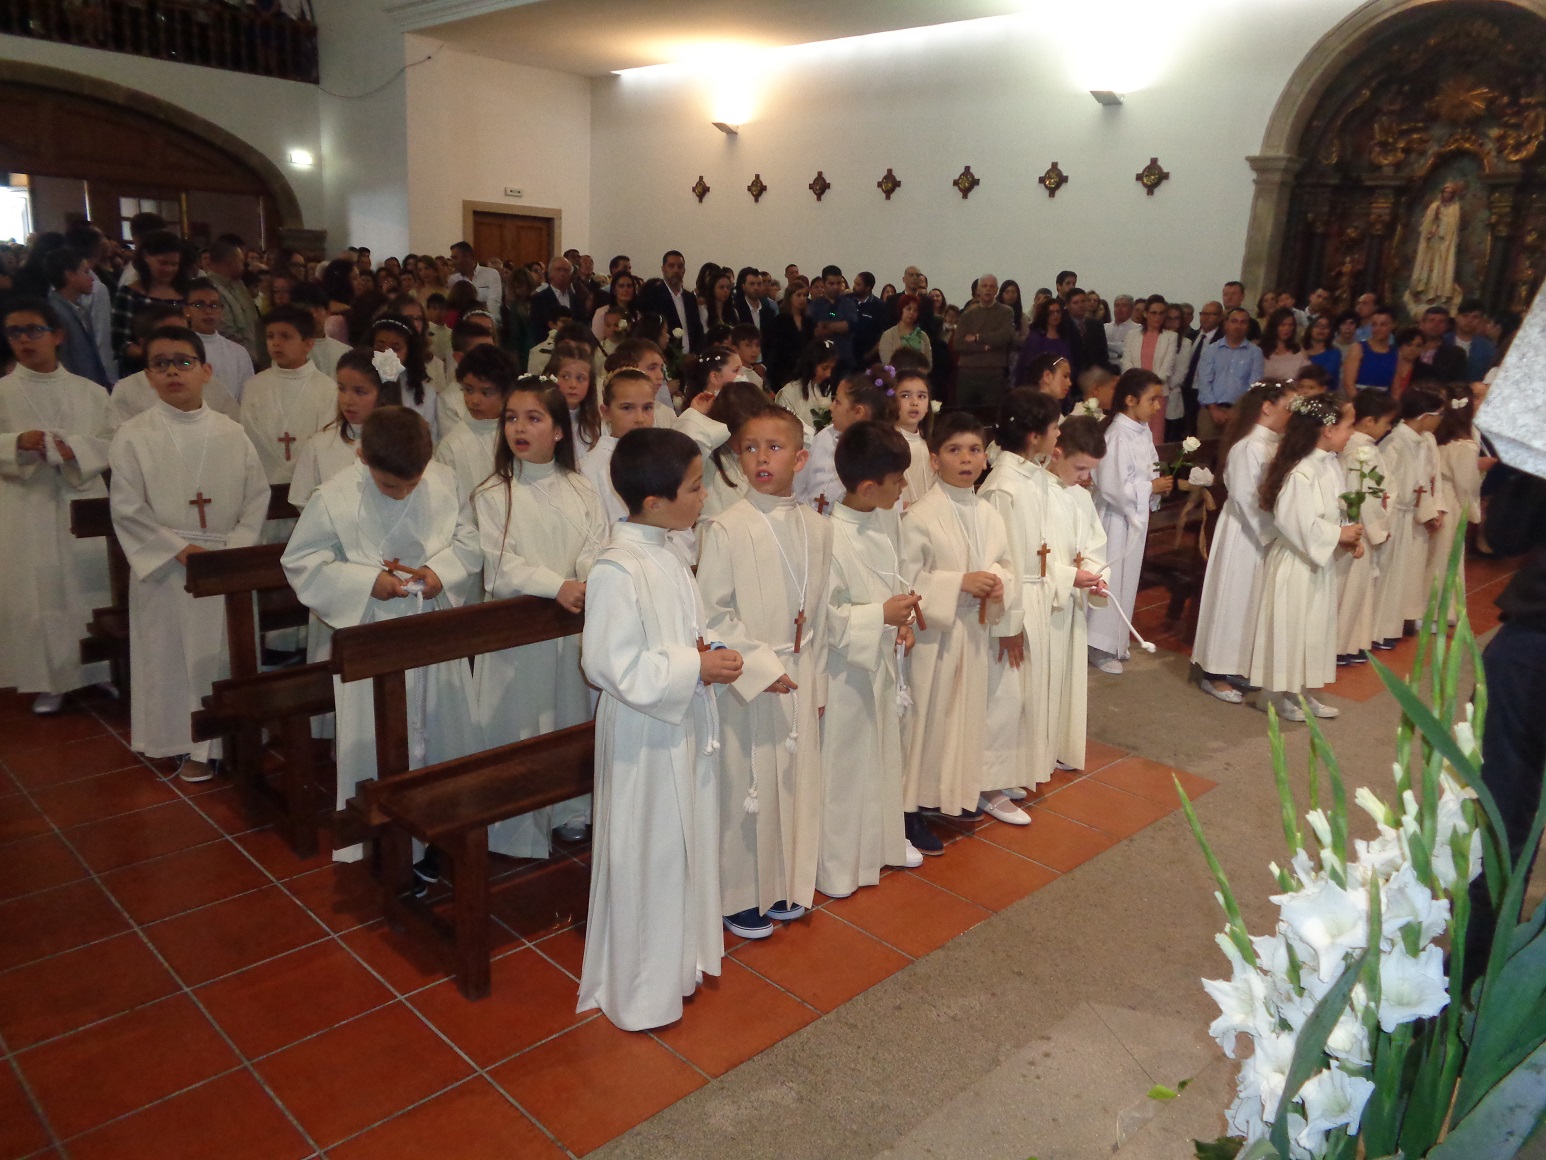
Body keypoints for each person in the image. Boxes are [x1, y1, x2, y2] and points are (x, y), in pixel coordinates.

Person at [577, 426, 738, 1031]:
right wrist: (695, 667)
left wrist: (710, 650)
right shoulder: (617, 569)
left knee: (678, 847)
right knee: (647, 852)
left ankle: (675, 969)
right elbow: (608, 665)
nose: (704, 496)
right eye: (694, 487)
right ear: (653, 501)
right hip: (642, 734)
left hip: (678, 720)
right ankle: (641, 991)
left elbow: (683, 630)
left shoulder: (668, 551)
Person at [283, 407, 483, 863]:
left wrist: (440, 570)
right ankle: (381, 842)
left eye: (413, 483)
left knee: (440, 724)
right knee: (377, 734)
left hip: (431, 630)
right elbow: (302, 561)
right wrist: (366, 582)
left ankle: (442, 829)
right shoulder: (334, 497)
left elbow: (469, 539)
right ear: (362, 457)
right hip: (371, 633)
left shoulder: (444, 481)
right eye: (391, 486)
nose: (404, 493)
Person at [109, 326, 269, 779]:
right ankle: (180, 741)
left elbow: (256, 497)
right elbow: (126, 508)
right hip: (167, 567)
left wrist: (232, 553)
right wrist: (180, 550)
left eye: (183, 362)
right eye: (160, 364)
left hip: (224, 563)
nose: (173, 372)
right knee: (169, 655)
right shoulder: (133, 436)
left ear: (206, 371)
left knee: (222, 654)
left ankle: (226, 740)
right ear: (148, 376)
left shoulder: (231, 432)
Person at [697, 405, 833, 939]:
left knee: (792, 785)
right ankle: (738, 895)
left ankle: (783, 883)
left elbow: (818, 616)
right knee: (746, 785)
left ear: (799, 458)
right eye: (750, 447)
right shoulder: (726, 528)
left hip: (800, 669)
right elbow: (712, 613)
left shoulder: (817, 527)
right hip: (747, 678)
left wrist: (816, 681)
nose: (761, 458)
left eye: (774, 447)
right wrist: (760, 667)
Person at [470, 378, 607, 860]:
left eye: (533, 418)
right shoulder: (494, 493)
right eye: (511, 418)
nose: (519, 428)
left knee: (568, 713)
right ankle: (513, 821)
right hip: (519, 635)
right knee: (521, 721)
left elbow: (596, 543)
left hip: (569, 627)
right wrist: (557, 585)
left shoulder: (580, 487)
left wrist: (585, 579)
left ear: (559, 430)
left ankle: (571, 808)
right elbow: (498, 565)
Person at [814, 418, 929, 899]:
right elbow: (827, 617)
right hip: (846, 673)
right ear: (867, 487)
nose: (904, 488)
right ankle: (838, 865)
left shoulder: (882, 523)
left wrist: (900, 620)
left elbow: (892, 580)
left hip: (880, 662)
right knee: (845, 766)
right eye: (898, 480)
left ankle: (879, 843)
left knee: (883, 754)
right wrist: (880, 615)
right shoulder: (828, 537)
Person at [900, 410, 1014, 848]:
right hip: (934, 639)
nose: (966, 459)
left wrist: (998, 581)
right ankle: (908, 809)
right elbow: (908, 582)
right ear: (934, 460)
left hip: (973, 632)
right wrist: (959, 583)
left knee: (962, 720)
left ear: (986, 458)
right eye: (954, 450)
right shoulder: (920, 516)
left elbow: (1004, 563)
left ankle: (948, 795)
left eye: (974, 449)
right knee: (928, 721)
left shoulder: (988, 512)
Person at [0, 297, 116, 714]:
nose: (24, 340)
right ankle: (50, 680)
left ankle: (101, 667)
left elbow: (113, 440)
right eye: (15, 332)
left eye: (34, 330)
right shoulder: (3, 392)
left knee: (89, 585)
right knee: (40, 593)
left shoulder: (90, 392)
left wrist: (76, 450)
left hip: (81, 499)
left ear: (58, 335)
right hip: (25, 504)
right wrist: (15, 443)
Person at [1249, 393, 1362, 720]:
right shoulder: (1302, 472)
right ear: (1327, 429)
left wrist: (1347, 535)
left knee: (1311, 629)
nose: (1352, 433)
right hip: (1296, 561)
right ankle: (1273, 695)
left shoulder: (1329, 465)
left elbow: (1333, 511)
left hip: (1315, 561)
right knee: (1291, 627)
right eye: (1348, 426)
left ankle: (1299, 690)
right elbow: (1295, 522)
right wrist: (1338, 535)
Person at [980, 389, 1065, 809]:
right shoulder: (1003, 487)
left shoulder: (1031, 477)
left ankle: (1009, 771)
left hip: (1034, 594)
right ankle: (986, 786)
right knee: (1002, 696)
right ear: (1034, 436)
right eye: (1054, 428)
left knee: (1023, 694)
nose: (1059, 434)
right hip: (1011, 602)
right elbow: (1000, 561)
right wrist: (1007, 624)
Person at [1191, 381, 1296, 702]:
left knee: (1252, 600)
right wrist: (1275, 532)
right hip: (1243, 533)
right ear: (1267, 407)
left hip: (1262, 532)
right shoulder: (1248, 447)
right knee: (1233, 598)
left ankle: (1237, 665)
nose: (1292, 414)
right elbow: (1246, 497)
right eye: (1289, 407)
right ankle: (1214, 672)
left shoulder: (1273, 444)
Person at [1088, 370, 1173, 674]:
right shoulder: (1117, 435)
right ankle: (1097, 644)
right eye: (1153, 399)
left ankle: (1116, 640)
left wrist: (1156, 485)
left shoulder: (1141, 431)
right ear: (1130, 400)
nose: (1158, 407)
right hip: (1113, 519)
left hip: (1132, 518)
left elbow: (1147, 469)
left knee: (1127, 578)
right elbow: (1112, 486)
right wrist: (1150, 488)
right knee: (1110, 577)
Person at [1043, 416, 1109, 771]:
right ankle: (1036, 753)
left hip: (1073, 603)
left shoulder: (1081, 497)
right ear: (1056, 453)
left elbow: (1095, 546)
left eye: (1090, 471)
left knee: (1066, 676)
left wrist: (1098, 576)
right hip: (1047, 602)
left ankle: (1058, 745)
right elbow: (1028, 558)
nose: (1085, 478)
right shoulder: (1036, 492)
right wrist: (1068, 576)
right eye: (1080, 468)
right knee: (1044, 678)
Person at [1370, 384, 1444, 649]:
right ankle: (1376, 630)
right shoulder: (1395, 442)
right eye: (1438, 415)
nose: (1440, 420)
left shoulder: (1420, 442)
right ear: (1425, 416)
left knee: (1401, 575)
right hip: (1395, 517)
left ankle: (1392, 625)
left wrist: (1429, 511)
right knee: (1387, 575)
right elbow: (1384, 485)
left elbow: (1423, 481)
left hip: (1409, 516)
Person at [1335, 389, 1399, 665]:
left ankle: (1351, 643)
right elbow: (1368, 497)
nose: (1389, 428)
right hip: (1359, 526)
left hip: (1355, 523)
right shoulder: (1363, 452)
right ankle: (1340, 646)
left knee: (1357, 588)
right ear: (1369, 421)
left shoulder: (1358, 447)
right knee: (1351, 588)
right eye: (1387, 422)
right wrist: (1379, 528)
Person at [241, 305, 337, 487]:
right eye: (270, 336)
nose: (276, 343)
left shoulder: (327, 389)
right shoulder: (254, 386)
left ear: (308, 344)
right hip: (264, 484)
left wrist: (296, 474)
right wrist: (278, 475)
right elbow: (250, 436)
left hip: (310, 483)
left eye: (285, 336)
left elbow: (326, 441)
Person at [1429, 382, 1486, 620]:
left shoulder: (1436, 438)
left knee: (1433, 557)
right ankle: (1441, 611)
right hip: (1452, 502)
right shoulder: (1465, 446)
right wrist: (1473, 511)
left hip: (1434, 496)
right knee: (1446, 556)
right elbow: (1466, 484)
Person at [797, 372, 890, 515]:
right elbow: (800, 484)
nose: (831, 407)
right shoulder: (825, 435)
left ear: (858, 412)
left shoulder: (881, 456)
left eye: (838, 402)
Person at [432, 343, 513, 506]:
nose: (474, 400)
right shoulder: (451, 446)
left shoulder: (516, 434)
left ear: (505, 393)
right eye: (468, 390)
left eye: (486, 392)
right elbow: (446, 503)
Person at [111, 229, 190, 376]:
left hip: (181, 369)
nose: (169, 269)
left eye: (174, 264)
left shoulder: (185, 294)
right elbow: (120, 344)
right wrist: (159, 354)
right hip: (140, 372)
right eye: (163, 263)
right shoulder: (129, 294)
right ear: (146, 257)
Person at [44, 249, 112, 388]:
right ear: (70, 275)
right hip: (74, 389)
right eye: (86, 272)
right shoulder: (56, 314)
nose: (92, 278)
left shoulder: (79, 308)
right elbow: (63, 361)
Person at [1196, 307, 1266, 439]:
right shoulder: (1211, 350)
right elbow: (1204, 381)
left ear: (1248, 326)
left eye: (1243, 322)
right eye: (1234, 321)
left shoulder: (1255, 353)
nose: (1238, 326)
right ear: (1226, 324)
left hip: (1241, 413)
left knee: (1235, 449)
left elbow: (1254, 386)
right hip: (1210, 412)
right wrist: (1214, 409)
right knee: (1205, 450)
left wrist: (1237, 411)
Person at [182, 278, 255, 401]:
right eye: (199, 305)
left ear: (221, 310)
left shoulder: (238, 353)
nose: (208, 311)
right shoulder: (178, 349)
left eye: (214, 305)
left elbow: (247, 398)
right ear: (186, 310)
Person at [371, 315, 438, 444]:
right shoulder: (359, 384)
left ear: (409, 351)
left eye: (396, 348)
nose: (387, 354)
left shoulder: (426, 393)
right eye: (380, 347)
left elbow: (430, 440)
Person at [1121, 296, 1179, 441]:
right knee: (1132, 434)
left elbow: (1167, 368)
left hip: (1157, 395)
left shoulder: (1171, 337)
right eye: (1154, 313)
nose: (1157, 317)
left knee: (1155, 436)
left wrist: (1150, 389)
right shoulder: (1132, 335)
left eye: (1161, 313)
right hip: (1135, 393)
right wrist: (1138, 387)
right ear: (1146, 313)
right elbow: (1126, 363)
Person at [954, 273, 1016, 408]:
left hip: (993, 372)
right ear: (978, 290)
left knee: (990, 413)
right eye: (984, 286)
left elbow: (1005, 336)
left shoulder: (1006, 312)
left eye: (992, 287)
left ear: (996, 290)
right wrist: (983, 347)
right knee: (964, 413)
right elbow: (958, 343)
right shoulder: (967, 314)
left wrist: (978, 337)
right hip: (967, 372)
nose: (988, 289)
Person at [204, 235, 263, 365]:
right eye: (240, 262)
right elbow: (225, 331)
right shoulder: (209, 289)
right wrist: (249, 357)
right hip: (233, 360)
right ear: (229, 262)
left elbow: (252, 320)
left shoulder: (238, 284)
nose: (243, 267)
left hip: (253, 357)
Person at [639, 250, 702, 353]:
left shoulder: (690, 298)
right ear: (663, 269)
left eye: (680, 266)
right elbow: (651, 332)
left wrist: (694, 354)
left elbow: (697, 330)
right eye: (671, 266)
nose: (676, 270)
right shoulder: (653, 296)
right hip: (665, 355)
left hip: (691, 356)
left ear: (684, 270)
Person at [892, 366, 936, 505]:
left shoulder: (929, 443)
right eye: (905, 396)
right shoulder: (885, 444)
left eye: (921, 396)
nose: (914, 402)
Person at [773, 339, 838, 430]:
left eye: (831, 369)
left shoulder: (824, 387)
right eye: (824, 368)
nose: (828, 374)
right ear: (811, 364)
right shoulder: (789, 393)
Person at [448, 241, 504, 333]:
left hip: (488, 327)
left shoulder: (490, 274)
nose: (452, 262)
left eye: (455, 258)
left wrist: (487, 326)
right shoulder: (453, 280)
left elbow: (493, 304)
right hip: (462, 330)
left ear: (467, 256)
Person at [1342, 307, 1400, 393]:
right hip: (1360, 397)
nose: (1377, 329)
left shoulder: (1396, 353)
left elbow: (1396, 387)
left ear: (1393, 325)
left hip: (1384, 398)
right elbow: (1348, 383)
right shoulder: (1358, 348)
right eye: (1374, 325)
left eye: (1383, 325)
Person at [877, 293, 933, 369]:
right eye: (908, 309)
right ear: (901, 310)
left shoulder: (923, 336)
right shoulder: (888, 335)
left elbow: (928, 364)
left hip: (919, 375)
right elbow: (887, 362)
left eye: (915, 310)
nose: (911, 313)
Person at [1451, 298, 1497, 382]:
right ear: (1457, 317)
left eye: (1475, 317)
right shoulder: (1444, 341)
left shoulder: (1488, 348)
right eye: (1465, 316)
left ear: (1481, 320)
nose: (1469, 320)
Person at [1259, 307, 1304, 381]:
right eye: (1283, 325)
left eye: (1290, 325)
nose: (1287, 329)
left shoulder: (1298, 351)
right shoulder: (1260, 351)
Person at [1303, 314, 1343, 387]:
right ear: (1310, 329)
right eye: (1317, 326)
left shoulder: (1334, 353)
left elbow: (1325, 376)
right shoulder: (1300, 351)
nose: (1321, 329)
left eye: (1325, 327)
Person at [1104, 295, 1138, 364]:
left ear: (1131, 309)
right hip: (1106, 366)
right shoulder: (1104, 327)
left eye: (1124, 306)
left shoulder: (1137, 329)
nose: (1119, 309)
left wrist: (1105, 344)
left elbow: (1125, 350)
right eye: (1117, 306)